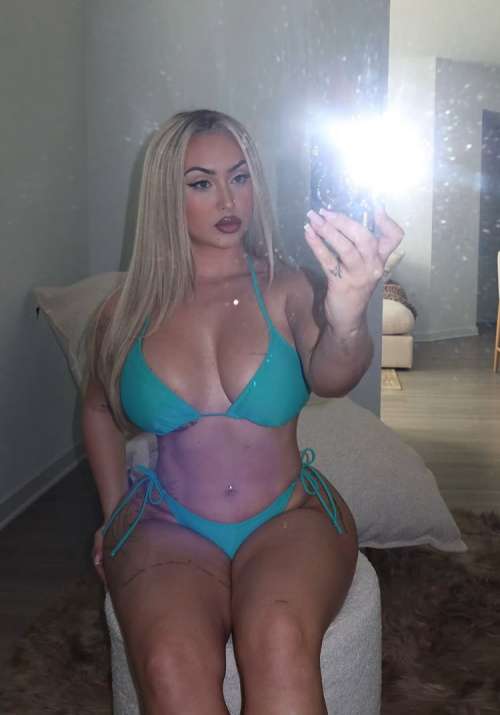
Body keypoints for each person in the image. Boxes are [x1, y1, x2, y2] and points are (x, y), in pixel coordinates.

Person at [82, 109, 403, 714]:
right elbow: (98, 408)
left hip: (289, 515)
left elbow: (334, 376)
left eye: (240, 176)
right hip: (167, 521)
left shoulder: (288, 285)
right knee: (169, 664)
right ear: (165, 196)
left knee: (279, 638)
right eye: (201, 183)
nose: (229, 200)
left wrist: (347, 318)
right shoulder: (124, 310)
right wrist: (112, 511)